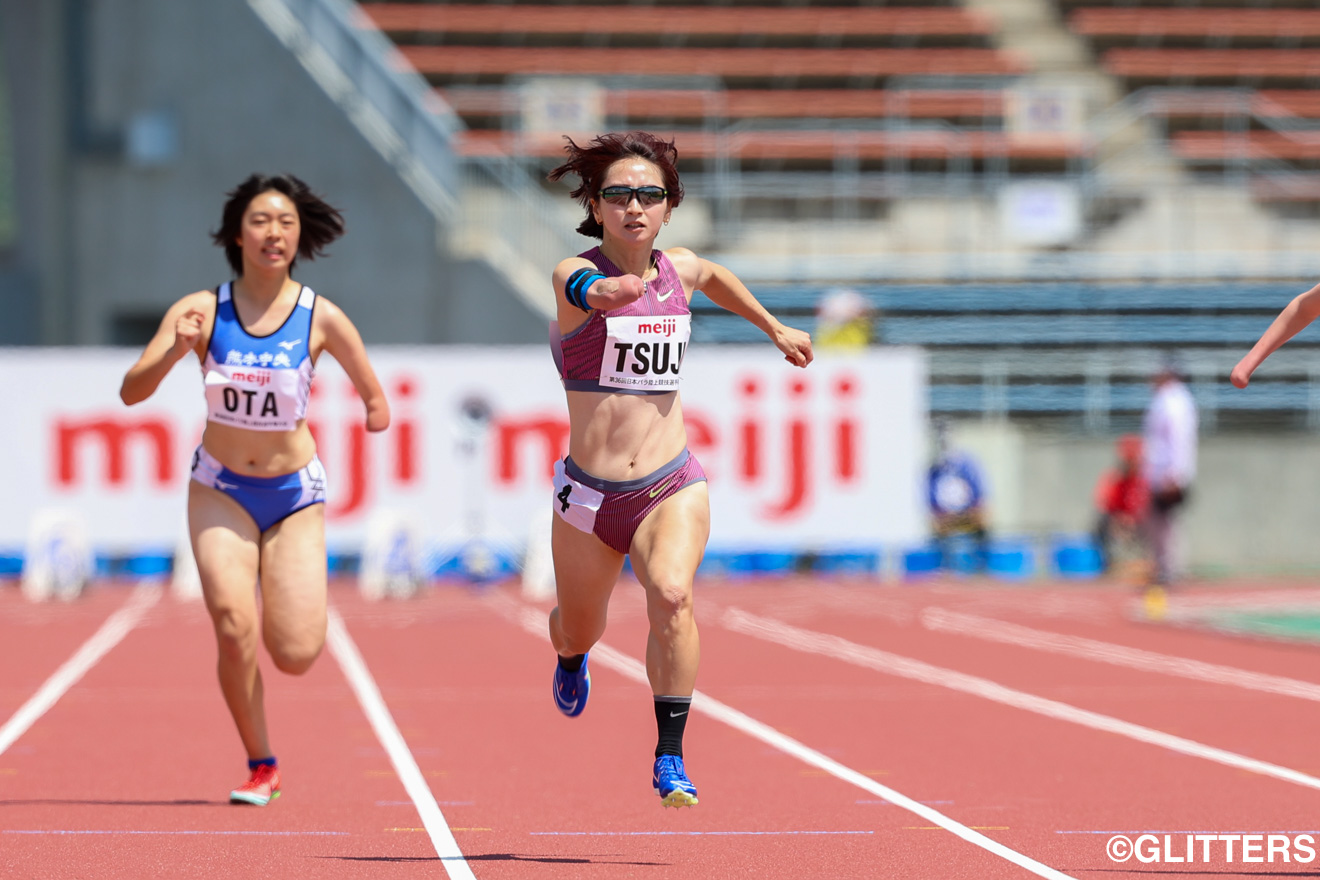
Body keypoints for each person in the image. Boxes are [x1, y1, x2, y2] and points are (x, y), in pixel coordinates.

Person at [544, 131, 812, 807]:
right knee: (579, 626)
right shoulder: (570, 273)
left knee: (671, 594)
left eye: (650, 195)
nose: (635, 206)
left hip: (669, 481)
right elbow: (587, 290)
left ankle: (670, 756)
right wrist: (611, 290)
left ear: (668, 207)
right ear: (597, 206)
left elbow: (714, 277)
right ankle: (572, 659)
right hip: (589, 495)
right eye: (619, 195)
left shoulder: (680, 271)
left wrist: (774, 327)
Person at [119, 174, 389, 806]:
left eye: (286, 223)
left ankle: (289, 606)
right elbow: (132, 390)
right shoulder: (201, 311)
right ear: (237, 234)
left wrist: (377, 412)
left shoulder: (319, 315)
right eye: (262, 221)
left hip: (294, 494)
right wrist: (174, 351)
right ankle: (261, 763)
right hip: (220, 489)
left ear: (299, 238)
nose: (275, 232)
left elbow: (372, 391)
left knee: (294, 653)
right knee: (234, 625)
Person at [1142, 356, 1197, 586]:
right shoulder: (1165, 399)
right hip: (1160, 472)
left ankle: (1171, 568)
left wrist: (1175, 473)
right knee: (1159, 522)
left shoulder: (1175, 401)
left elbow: (1179, 439)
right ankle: (1164, 566)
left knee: (1167, 524)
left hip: (1168, 473)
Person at [926, 420, 990, 572]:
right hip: (945, 516)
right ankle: (944, 567)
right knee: (937, 529)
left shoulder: (967, 463)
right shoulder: (934, 468)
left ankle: (981, 566)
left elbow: (979, 490)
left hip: (967, 514)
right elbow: (929, 497)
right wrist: (939, 515)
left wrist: (975, 510)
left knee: (982, 524)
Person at [1092, 434, 1149, 576]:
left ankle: (1153, 564)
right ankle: (1109, 564)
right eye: (1128, 459)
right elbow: (1104, 503)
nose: (1131, 463)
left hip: (1141, 522)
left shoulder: (1148, 477)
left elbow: (1150, 505)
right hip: (1118, 521)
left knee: (1157, 522)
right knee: (1101, 522)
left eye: (1134, 459)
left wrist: (1134, 519)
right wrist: (1120, 519)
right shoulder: (1114, 477)